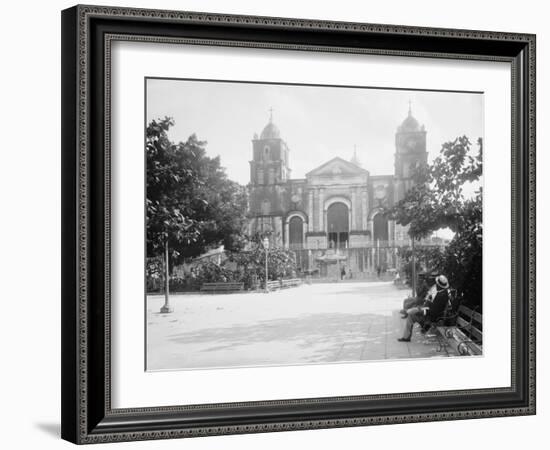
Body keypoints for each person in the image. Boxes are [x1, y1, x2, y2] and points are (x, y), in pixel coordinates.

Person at [397, 275, 450, 342]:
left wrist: (422, 311)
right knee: (412, 313)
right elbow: (431, 303)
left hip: (431, 317)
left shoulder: (441, 296)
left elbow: (434, 311)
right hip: (428, 312)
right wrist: (425, 304)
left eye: (437, 283)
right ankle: (406, 313)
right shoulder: (442, 293)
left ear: (439, 285)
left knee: (411, 314)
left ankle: (407, 336)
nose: (436, 284)